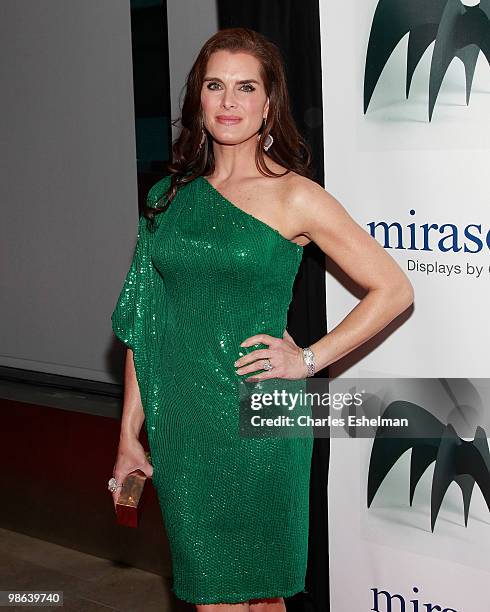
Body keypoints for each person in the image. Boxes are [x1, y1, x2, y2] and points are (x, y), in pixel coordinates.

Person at [109, 27, 414, 612]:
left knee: (263, 597)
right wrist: (128, 434)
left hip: (263, 414)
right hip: (184, 432)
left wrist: (307, 359)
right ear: (197, 98)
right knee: (212, 596)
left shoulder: (295, 196)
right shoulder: (166, 200)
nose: (229, 102)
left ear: (268, 103)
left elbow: (393, 289)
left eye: (245, 88)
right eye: (215, 85)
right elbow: (142, 325)